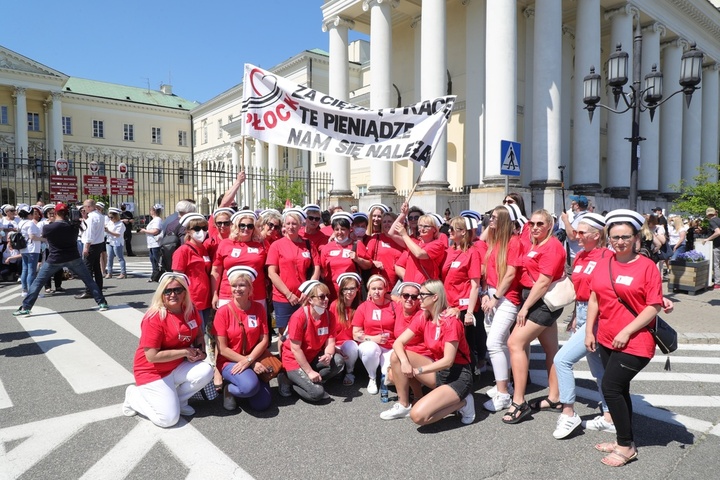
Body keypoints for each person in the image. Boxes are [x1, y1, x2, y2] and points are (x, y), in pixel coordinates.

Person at [585, 209, 663, 467]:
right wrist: (589, 330)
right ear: (608, 237)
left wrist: (627, 330)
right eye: (615, 237)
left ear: (636, 237)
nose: (620, 242)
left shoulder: (647, 266)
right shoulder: (605, 262)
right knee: (620, 390)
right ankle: (623, 438)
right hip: (606, 337)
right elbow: (595, 296)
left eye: (625, 237)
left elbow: (653, 306)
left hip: (636, 341)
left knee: (610, 388)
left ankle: (626, 446)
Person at [123, 272, 213, 427]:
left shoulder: (190, 310)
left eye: (178, 290)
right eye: (168, 291)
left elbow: (198, 334)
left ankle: (179, 401)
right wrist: (185, 352)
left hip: (176, 365)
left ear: (185, 292)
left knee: (206, 370)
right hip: (152, 371)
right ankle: (134, 396)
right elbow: (152, 356)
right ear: (161, 293)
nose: (173, 294)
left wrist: (200, 351)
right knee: (167, 420)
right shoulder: (154, 317)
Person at [502, 209, 567, 424]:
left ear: (550, 225)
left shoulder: (552, 246)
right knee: (551, 350)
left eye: (540, 223)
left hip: (543, 301)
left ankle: (518, 401)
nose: (535, 227)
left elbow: (543, 281)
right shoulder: (533, 243)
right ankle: (555, 398)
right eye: (532, 223)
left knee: (515, 343)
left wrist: (524, 308)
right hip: (533, 298)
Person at [551, 213, 612, 439]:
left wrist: (590, 323)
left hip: (599, 316)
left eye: (581, 232)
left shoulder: (607, 256)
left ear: (596, 235)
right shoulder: (581, 257)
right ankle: (610, 416)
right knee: (599, 370)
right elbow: (580, 291)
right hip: (583, 312)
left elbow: (605, 293)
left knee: (562, 359)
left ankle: (568, 413)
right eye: (576, 231)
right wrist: (577, 315)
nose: (576, 235)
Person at [381, 280, 475, 425]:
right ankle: (403, 405)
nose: (418, 298)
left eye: (422, 295)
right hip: (439, 372)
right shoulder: (423, 316)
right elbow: (398, 343)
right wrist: (405, 363)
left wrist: (418, 370)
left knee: (418, 417)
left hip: (458, 376)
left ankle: (463, 403)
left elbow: (448, 361)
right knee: (397, 357)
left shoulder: (451, 321)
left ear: (435, 297)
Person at [13, 203, 108, 316]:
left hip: (54, 259)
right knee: (89, 280)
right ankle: (102, 303)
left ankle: (26, 307)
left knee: (38, 283)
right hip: (73, 258)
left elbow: (45, 236)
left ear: (55, 212)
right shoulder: (74, 225)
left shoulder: (48, 227)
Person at [481, 205, 524, 412]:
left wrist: (495, 297)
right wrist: (486, 295)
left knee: (494, 343)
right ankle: (503, 384)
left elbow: (510, 274)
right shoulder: (496, 240)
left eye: (495, 217)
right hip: (493, 295)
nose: (491, 219)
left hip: (506, 298)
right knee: (501, 343)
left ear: (506, 220)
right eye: (491, 216)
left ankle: (504, 394)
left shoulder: (514, 242)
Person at [213, 266, 272, 412]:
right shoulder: (222, 312)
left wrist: (251, 359)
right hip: (229, 360)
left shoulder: (259, 308)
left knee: (262, 404)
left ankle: (247, 384)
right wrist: (248, 362)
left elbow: (264, 340)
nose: (237, 289)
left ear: (250, 288)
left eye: (242, 285)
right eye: (234, 285)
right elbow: (223, 349)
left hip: (254, 357)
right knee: (249, 388)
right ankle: (229, 389)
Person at [279, 280, 344, 402]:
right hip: (293, 360)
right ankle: (287, 378)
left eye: (327, 296)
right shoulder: (299, 317)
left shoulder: (329, 316)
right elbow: (295, 349)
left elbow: (330, 342)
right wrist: (309, 372)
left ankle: (311, 381)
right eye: (321, 296)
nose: (326, 299)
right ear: (310, 300)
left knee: (338, 361)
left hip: (312, 356)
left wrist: (328, 355)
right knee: (317, 394)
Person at [267, 208, 320, 340]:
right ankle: (285, 360)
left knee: (304, 330)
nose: (291, 227)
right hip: (283, 297)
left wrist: (308, 291)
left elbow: (316, 269)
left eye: (294, 224)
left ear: (301, 225)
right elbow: (272, 273)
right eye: (288, 223)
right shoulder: (276, 245)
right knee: (284, 334)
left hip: (304, 297)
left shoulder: (308, 244)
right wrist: (288, 294)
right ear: (284, 225)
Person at [441, 215, 484, 372]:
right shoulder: (448, 251)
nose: (450, 231)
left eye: (454, 229)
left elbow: (475, 285)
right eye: (449, 228)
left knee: (465, 342)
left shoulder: (472, 252)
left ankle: (468, 374)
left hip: (464, 305)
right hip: (448, 303)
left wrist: (470, 312)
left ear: (464, 232)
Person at [210, 210, 267, 311]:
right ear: (236, 226)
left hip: (256, 294)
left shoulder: (261, 245)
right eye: (242, 225)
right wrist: (215, 294)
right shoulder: (225, 244)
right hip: (228, 293)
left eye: (250, 226)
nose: (246, 228)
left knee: (255, 325)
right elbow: (216, 271)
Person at [352, 274, 396, 395]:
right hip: (371, 343)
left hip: (390, 345)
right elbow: (355, 334)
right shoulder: (363, 307)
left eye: (380, 288)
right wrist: (373, 338)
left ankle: (383, 374)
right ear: (369, 290)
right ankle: (371, 377)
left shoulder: (394, 306)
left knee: (387, 374)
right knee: (369, 349)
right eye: (373, 288)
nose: (376, 292)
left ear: (386, 289)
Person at [171, 213, 213, 326]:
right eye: (197, 228)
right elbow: (177, 278)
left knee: (204, 332)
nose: (202, 232)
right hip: (191, 300)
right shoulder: (183, 251)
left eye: (204, 228)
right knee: (196, 334)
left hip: (206, 298)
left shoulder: (203, 248)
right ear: (188, 231)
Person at [319, 212, 371, 300]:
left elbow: (368, 265)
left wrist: (357, 259)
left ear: (349, 229)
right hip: (332, 292)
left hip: (351, 293)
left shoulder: (356, 245)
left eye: (343, 229)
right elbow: (322, 270)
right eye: (336, 229)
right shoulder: (327, 248)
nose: (340, 232)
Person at [390, 202, 447, 284]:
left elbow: (419, 254)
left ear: (434, 229)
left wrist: (404, 235)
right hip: (410, 288)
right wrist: (403, 214)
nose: (422, 229)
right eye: (420, 226)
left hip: (426, 287)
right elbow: (392, 233)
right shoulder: (413, 242)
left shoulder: (438, 244)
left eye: (426, 226)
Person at [331, 272, 362, 386]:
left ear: (358, 289)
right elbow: (330, 329)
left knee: (349, 345)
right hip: (337, 344)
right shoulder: (334, 305)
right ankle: (340, 369)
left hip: (354, 344)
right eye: (346, 289)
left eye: (352, 288)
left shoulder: (361, 305)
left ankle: (350, 372)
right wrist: (333, 347)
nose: (349, 292)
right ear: (341, 290)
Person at [76, 199, 106, 298]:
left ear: (89, 207)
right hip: (99, 243)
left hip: (91, 245)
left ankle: (89, 290)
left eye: (84, 207)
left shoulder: (91, 218)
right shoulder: (100, 216)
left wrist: (86, 248)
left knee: (87, 268)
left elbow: (89, 234)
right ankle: (99, 288)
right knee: (96, 268)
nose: (83, 209)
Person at [365, 211, 404, 289]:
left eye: (389, 221)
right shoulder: (376, 238)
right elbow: (365, 259)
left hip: (399, 283)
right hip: (379, 284)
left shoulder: (403, 240)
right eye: (384, 222)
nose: (386, 224)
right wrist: (373, 262)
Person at [17, 204, 43, 298]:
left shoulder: (20, 222)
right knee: (32, 271)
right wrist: (43, 239)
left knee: (25, 270)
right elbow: (32, 236)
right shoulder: (30, 223)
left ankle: (24, 290)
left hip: (24, 249)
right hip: (32, 248)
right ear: (29, 214)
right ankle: (32, 292)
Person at [40, 204, 65, 293]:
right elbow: (39, 236)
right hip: (47, 248)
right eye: (50, 213)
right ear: (46, 214)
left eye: (53, 213)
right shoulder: (42, 224)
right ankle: (47, 287)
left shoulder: (59, 223)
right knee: (47, 268)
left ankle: (58, 285)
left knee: (59, 268)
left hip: (58, 248)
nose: (52, 215)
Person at [139, 204, 163, 282]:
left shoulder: (157, 220)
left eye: (151, 210)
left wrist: (144, 230)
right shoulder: (154, 220)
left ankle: (160, 275)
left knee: (157, 260)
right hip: (152, 243)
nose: (150, 212)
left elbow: (155, 231)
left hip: (156, 243)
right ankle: (155, 276)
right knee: (153, 260)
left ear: (153, 211)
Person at [104, 207, 127, 279]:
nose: (110, 219)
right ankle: (109, 272)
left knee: (120, 258)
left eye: (112, 217)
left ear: (116, 216)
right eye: (109, 217)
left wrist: (108, 231)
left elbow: (117, 234)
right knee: (109, 258)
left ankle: (123, 273)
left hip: (117, 242)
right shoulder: (110, 222)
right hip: (109, 241)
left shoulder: (120, 224)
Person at [701, 207, 720, 289]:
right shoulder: (719, 219)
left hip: (718, 245)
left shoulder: (712, 221)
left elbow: (718, 232)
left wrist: (707, 239)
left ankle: (717, 283)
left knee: (716, 264)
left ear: (708, 215)